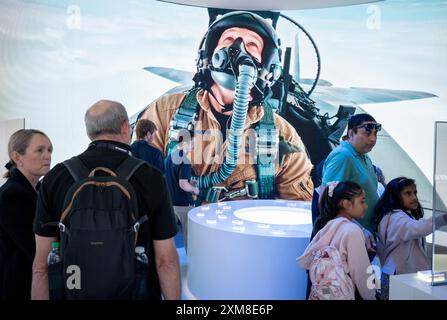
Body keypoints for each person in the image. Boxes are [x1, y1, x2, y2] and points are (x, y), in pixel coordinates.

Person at [139, 11, 313, 202]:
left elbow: (298, 210)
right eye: (228, 38)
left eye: (252, 44)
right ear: (209, 55)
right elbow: (137, 184)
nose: (237, 47)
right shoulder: (164, 113)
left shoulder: (283, 135)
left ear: (267, 67)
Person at [31, 100, 181, 300]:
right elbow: (166, 261)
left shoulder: (56, 178)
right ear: (125, 126)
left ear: (89, 132)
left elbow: (42, 267)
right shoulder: (150, 177)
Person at [372, 177, 447, 300]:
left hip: (392, 273)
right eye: (407, 193)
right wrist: (446, 218)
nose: (414, 197)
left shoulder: (392, 216)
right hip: (400, 276)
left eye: (415, 193)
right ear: (395, 196)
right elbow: (419, 228)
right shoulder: (397, 218)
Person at [298, 181, 377, 300]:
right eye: (362, 201)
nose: (365, 206)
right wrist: (371, 296)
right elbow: (361, 272)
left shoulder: (325, 226)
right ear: (346, 204)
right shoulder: (352, 231)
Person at [0, 129, 53, 300]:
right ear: (17, 157)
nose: (47, 155)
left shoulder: (35, 190)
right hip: (18, 286)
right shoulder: (11, 194)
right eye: (40, 150)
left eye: (49, 150)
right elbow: (34, 247)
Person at [321, 113, 381, 256]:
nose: (373, 139)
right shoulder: (343, 156)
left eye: (375, 134)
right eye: (367, 132)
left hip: (364, 236)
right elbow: (327, 199)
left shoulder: (364, 155)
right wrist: (358, 229)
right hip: (349, 238)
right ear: (351, 133)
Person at [164, 135, 199, 250]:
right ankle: (193, 264)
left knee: (168, 236)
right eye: (193, 143)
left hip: (170, 203)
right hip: (183, 205)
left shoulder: (169, 158)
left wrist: (190, 183)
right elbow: (183, 185)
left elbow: (172, 179)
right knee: (190, 237)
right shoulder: (185, 161)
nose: (194, 147)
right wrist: (194, 189)